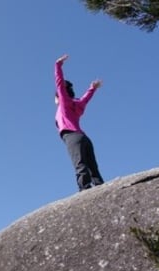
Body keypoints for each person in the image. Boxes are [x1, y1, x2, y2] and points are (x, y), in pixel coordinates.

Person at [54, 54, 104, 191]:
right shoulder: (78, 104)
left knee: (80, 163)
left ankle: (85, 188)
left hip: (72, 137)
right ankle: (99, 185)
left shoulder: (64, 104)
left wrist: (57, 65)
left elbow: (59, 84)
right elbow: (86, 99)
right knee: (92, 165)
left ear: (58, 97)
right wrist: (92, 88)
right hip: (84, 137)